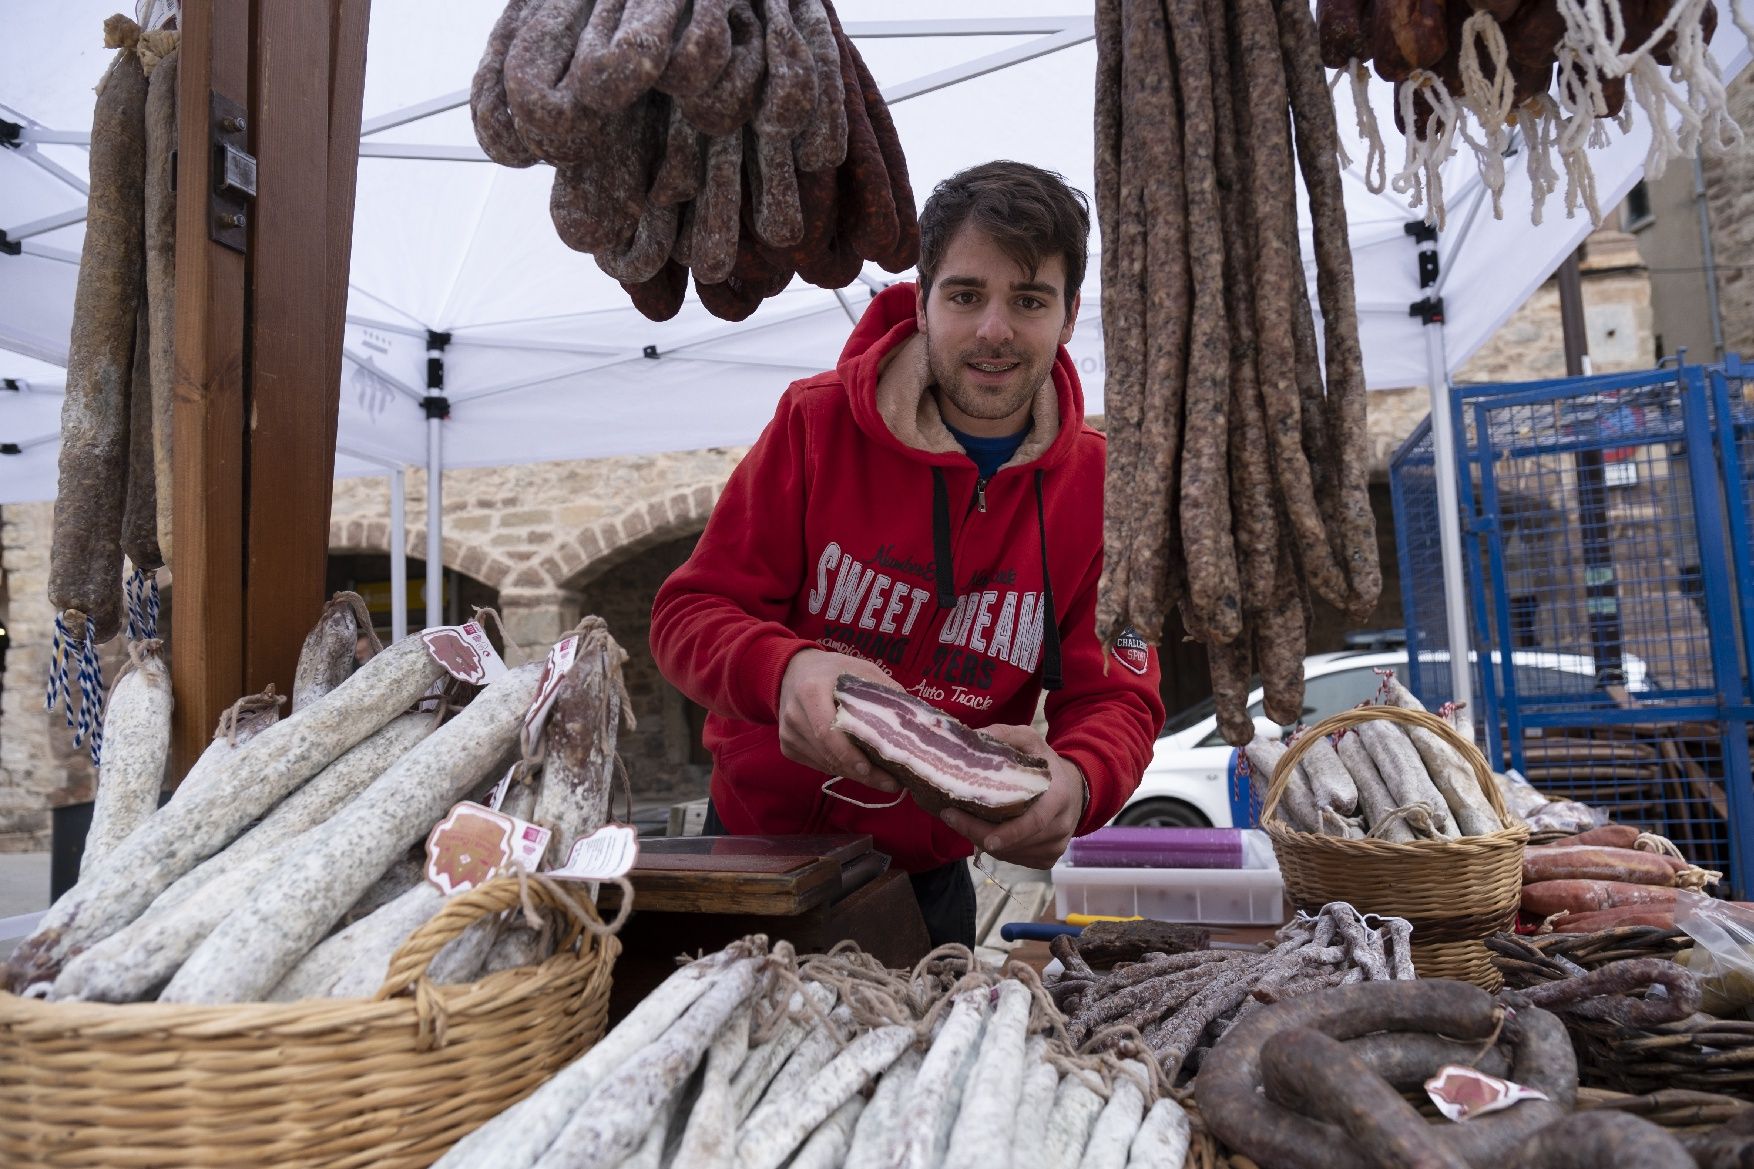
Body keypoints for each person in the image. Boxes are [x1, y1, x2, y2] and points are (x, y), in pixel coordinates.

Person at [649, 160, 1165, 947]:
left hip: (927, 880)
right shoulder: (814, 426)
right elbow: (689, 614)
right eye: (965, 295)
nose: (994, 329)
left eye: (1028, 300)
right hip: (755, 852)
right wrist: (783, 668)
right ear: (921, 301)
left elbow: (1118, 694)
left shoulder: (1101, 488)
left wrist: (1080, 779)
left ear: (1068, 317)